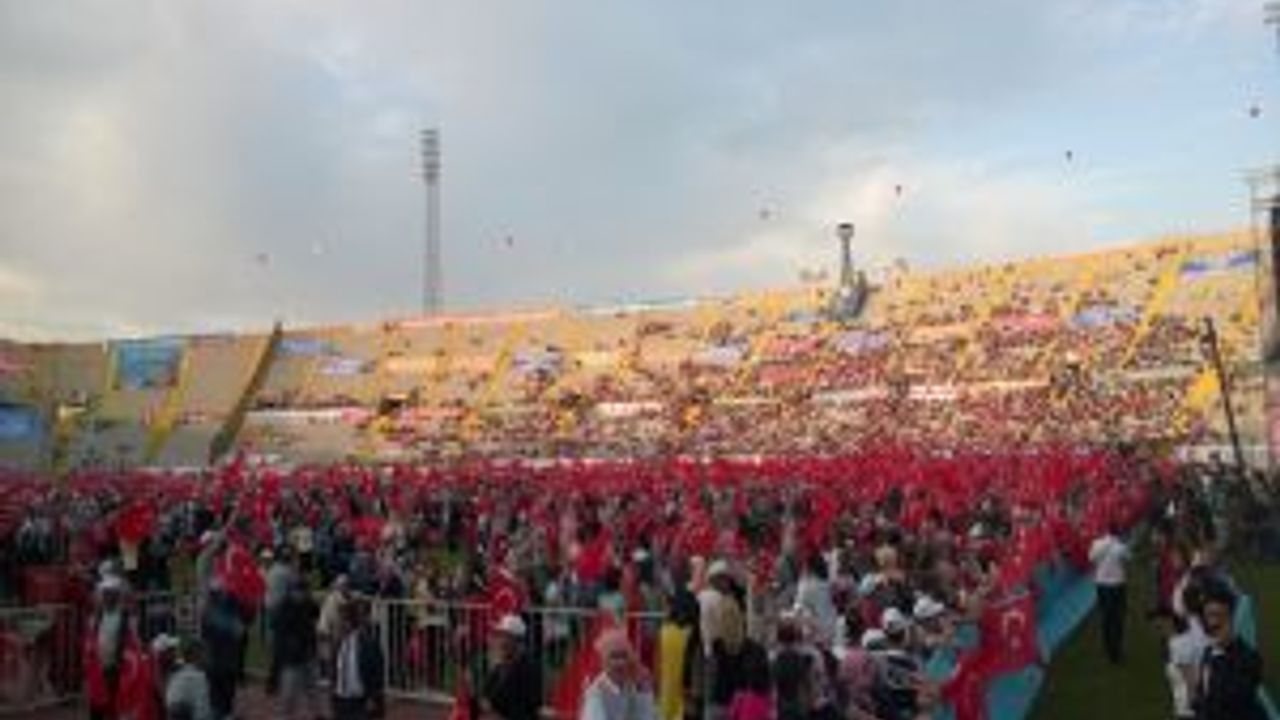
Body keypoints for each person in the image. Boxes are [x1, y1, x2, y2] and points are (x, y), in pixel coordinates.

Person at [1194, 582, 1266, 720]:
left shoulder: (1248, 658)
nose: (1214, 623)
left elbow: (1231, 701)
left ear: (1232, 619)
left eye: (1219, 616)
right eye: (1209, 615)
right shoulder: (1208, 653)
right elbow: (1202, 695)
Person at [581, 629, 658, 720]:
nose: (620, 662)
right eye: (614, 657)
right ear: (603, 661)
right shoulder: (596, 693)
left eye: (624, 656)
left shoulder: (635, 686)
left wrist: (643, 691)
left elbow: (649, 716)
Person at [274, 577, 322, 720]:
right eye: (298, 591)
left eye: (303, 591)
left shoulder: (308, 604)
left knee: (312, 685)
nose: (300, 595)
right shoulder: (284, 606)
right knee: (289, 690)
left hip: (308, 651)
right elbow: (280, 630)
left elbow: (317, 612)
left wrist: (310, 599)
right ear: (291, 591)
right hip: (291, 656)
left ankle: (316, 713)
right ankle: (285, 715)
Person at [331, 599, 386, 720]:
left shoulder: (368, 644)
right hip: (341, 700)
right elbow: (336, 671)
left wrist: (373, 697)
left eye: (342, 621)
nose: (339, 625)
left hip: (360, 701)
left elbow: (376, 673)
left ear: (350, 622)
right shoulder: (338, 644)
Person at [1149, 605, 1206, 720]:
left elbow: (1191, 680)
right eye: (1156, 628)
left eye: (1159, 627)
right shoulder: (1176, 641)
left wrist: (1192, 708)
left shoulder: (1179, 645)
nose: (1157, 631)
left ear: (1170, 621)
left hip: (1188, 710)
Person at [200, 581, 246, 720]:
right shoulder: (227, 613)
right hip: (224, 662)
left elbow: (205, 635)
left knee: (217, 699)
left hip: (215, 662)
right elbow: (239, 634)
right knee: (225, 699)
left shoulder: (208, 612)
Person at [482, 614, 542, 720]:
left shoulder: (529, 670)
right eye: (499, 636)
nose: (501, 641)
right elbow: (486, 697)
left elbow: (528, 710)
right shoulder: (499, 668)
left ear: (518, 641)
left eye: (506, 637)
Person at [1089, 523, 1130, 664]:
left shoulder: (1097, 543)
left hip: (1102, 584)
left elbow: (1091, 558)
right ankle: (1116, 650)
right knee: (1117, 618)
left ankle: (1108, 649)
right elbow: (1128, 559)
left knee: (1106, 618)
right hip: (1117, 584)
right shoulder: (1120, 546)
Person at [164, 639, 214, 720]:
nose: (207, 657)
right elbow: (201, 712)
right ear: (196, 656)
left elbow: (169, 702)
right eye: (204, 654)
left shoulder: (176, 674)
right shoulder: (198, 677)